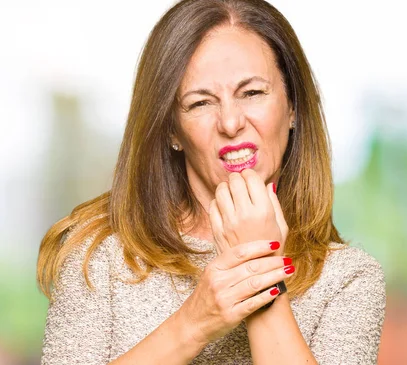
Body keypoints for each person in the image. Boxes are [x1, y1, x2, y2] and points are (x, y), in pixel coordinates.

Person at [37, 0, 386, 363]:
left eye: (252, 93)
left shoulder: (349, 281)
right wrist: (195, 321)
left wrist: (261, 272)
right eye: (201, 103)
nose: (231, 123)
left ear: (293, 107)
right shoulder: (98, 255)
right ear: (172, 128)